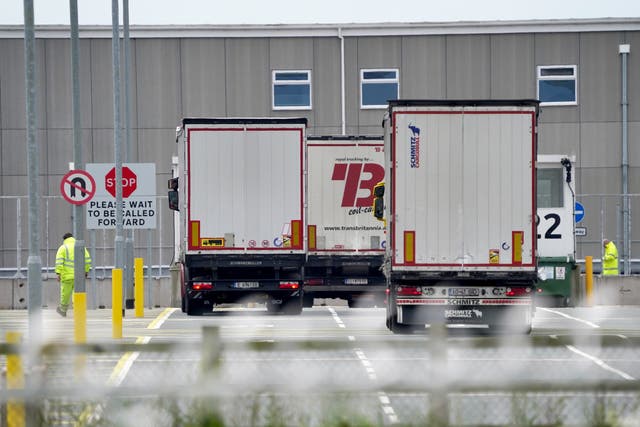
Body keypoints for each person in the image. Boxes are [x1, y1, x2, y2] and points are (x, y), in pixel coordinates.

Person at [54, 232, 92, 317]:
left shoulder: (63, 248)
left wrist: (58, 273)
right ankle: (78, 311)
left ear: (65, 239)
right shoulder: (81, 247)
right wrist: (86, 271)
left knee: (65, 294)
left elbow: (59, 261)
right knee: (77, 293)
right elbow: (88, 260)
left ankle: (63, 310)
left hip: (66, 276)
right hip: (79, 276)